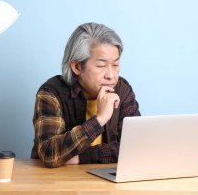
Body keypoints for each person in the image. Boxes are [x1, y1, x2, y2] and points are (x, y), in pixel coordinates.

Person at [31, 22, 141, 168]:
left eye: (115, 65)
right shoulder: (51, 93)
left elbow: (137, 147)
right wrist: (100, 119)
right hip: (56, 183)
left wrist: (83, 157)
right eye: (101, 66)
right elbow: (49, 153)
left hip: (107, 183)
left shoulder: (122, 90)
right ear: (77, 67)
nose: (111, 75)